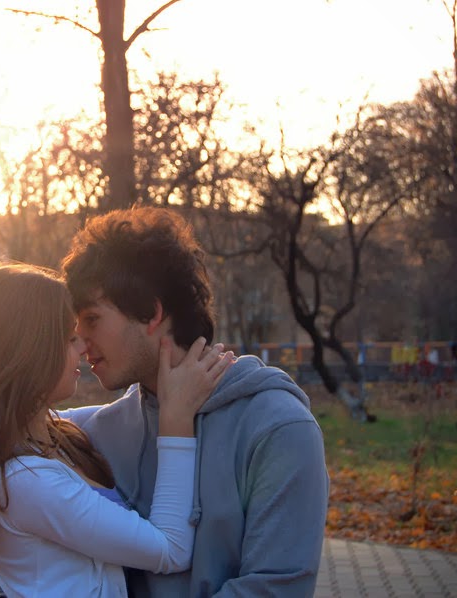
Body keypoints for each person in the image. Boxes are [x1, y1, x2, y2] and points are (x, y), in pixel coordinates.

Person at [56, 207, 330, 596]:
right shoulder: (94, 434)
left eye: (92, 319)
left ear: (152, 313)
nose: (81, 343)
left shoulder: (278, 428)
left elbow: (275, 587)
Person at [0, 263, 233, 597]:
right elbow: (171, 550)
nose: (82, 348)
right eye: (68, 338)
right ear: (28, 351)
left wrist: (162, 382)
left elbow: (127, 413)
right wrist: (176, 419)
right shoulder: (27, 482)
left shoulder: (52, 432)